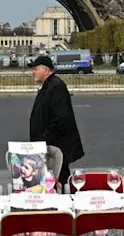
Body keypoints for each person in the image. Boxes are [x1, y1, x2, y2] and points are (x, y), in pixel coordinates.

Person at [28, 55, 83, 190]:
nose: (33, 72)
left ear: (46, 70)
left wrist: (45, 140)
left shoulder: (56, 87)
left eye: (36, 69)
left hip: (55, 148)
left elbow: (60, 119)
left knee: (59, 181)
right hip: (50, 146)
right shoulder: (50, 86)